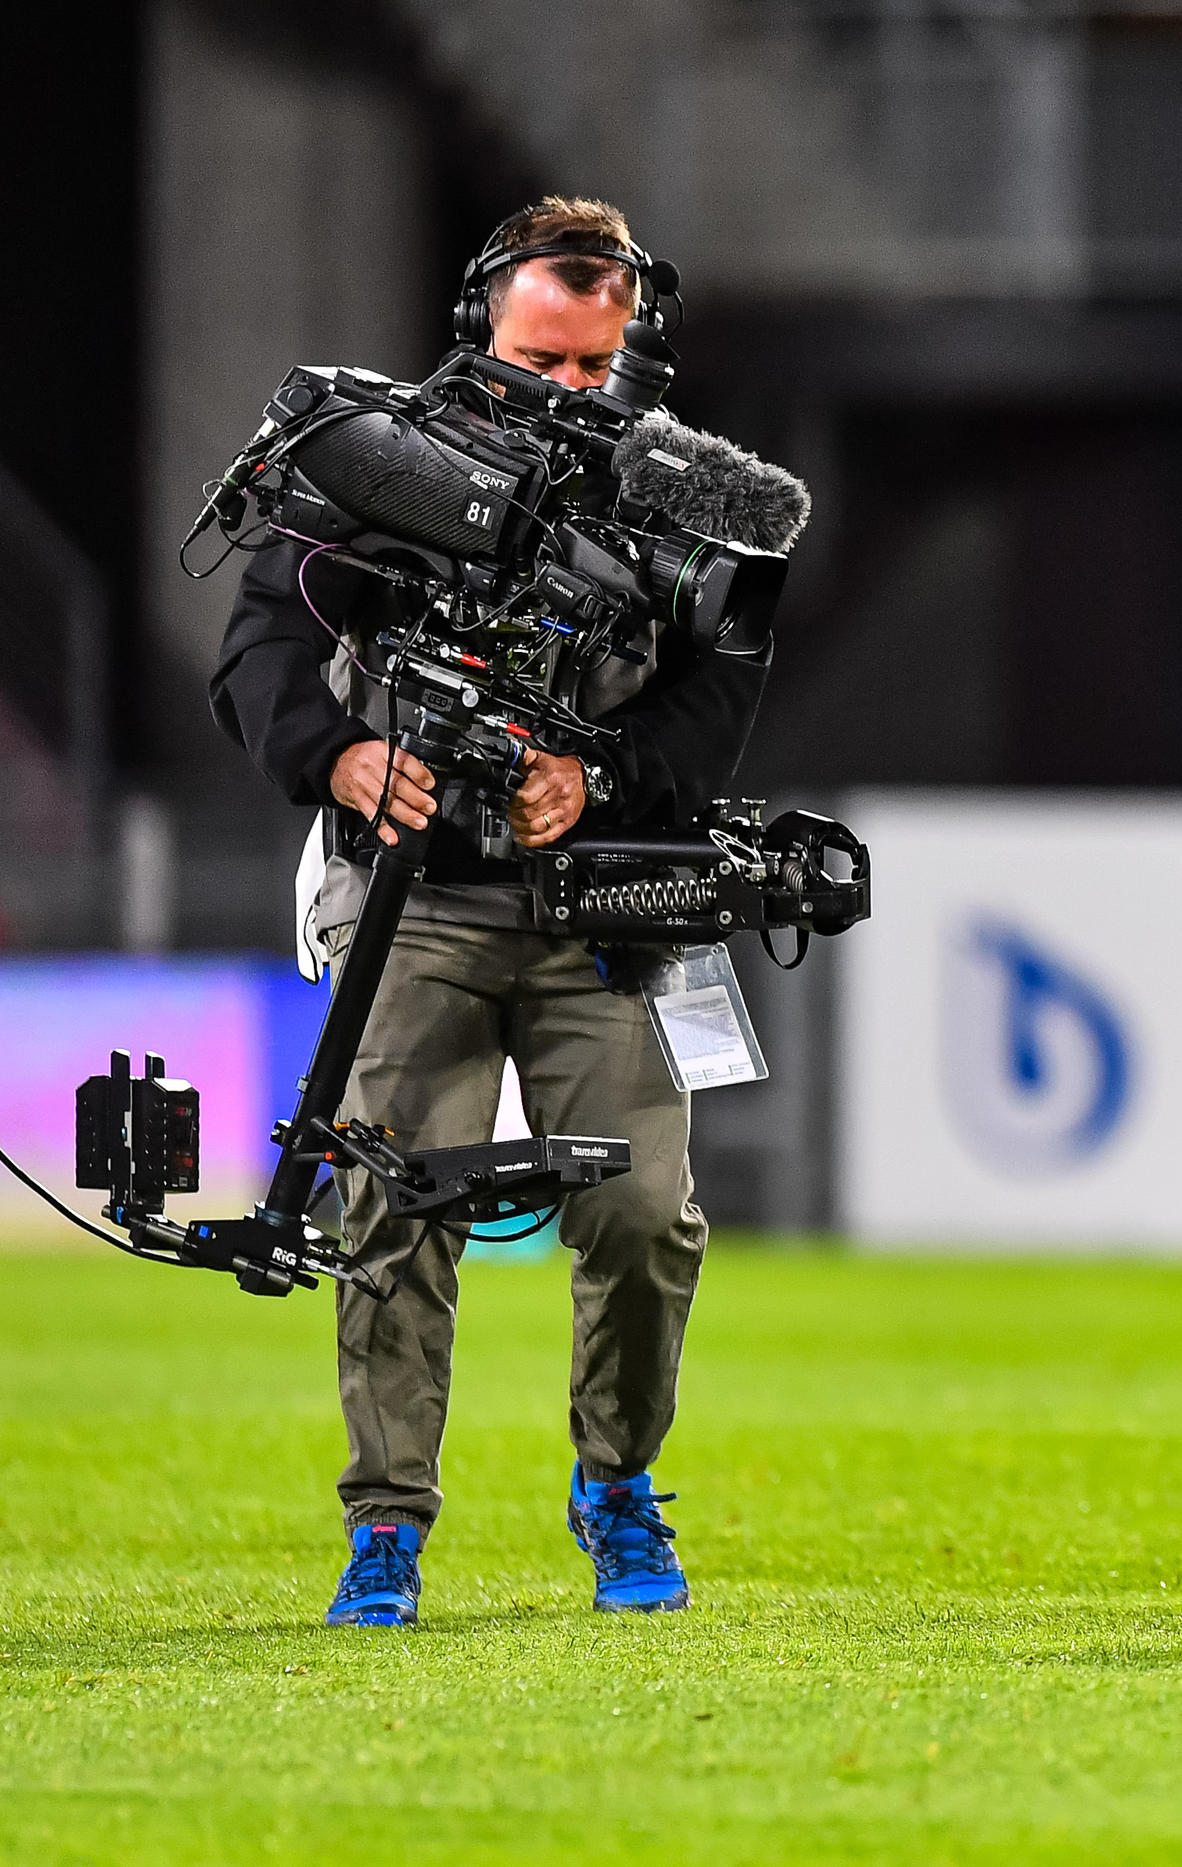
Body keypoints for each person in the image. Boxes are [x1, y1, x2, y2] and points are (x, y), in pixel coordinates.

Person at [208, 198, 766, 1625]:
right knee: (391, 1204)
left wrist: (600, 777)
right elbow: (263, 641)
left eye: (597, 366)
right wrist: (338, 754)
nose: (571, 392)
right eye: (545, 358)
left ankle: (619, 1480)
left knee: (646, 1213)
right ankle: (386, 1522)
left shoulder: (681, 494)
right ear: (479, 330)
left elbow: (720, 696)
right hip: (415, 896)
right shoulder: (378, 458)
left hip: (601, 902)